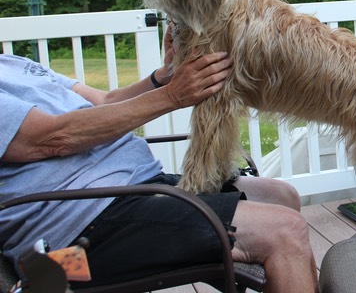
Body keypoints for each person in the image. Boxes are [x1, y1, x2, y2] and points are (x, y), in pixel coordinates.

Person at [0, 26, 319, 293]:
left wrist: (166, 75)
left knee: (281, 196)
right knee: (284, 230)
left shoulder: (13, 64)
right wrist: (174, 95)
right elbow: (52, 139)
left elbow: (105, 101)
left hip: (134, 191)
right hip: (77, 231)